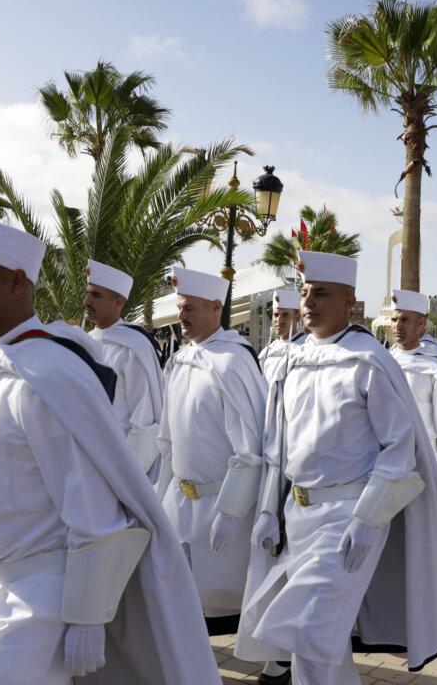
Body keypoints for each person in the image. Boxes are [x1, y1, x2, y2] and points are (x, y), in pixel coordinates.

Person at [0, 208, 217, 684]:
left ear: (15, 283)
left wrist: (88, 616)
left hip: (35, 605)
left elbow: (93, 508)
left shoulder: (47, 374)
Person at [236, 251, 437, 685]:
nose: (308, 302)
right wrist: (269, 509)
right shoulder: (291, 358)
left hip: (347, 518)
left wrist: (369, 517)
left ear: (350, 302)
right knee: (321, 639)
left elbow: (400, 446)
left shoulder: (368, 360)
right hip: (298, 515)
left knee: (308, 630)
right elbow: (277, 445)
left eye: (321, 293)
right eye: (305, 293)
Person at [156, 267, 280, 680]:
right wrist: (161, 496)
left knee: (246, 591)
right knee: (180, 592)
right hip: (182, 500)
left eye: (190, 308)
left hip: (222, 502)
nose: (182, 316)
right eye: (179, 308)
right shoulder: (182, 359)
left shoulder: (232, 362)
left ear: (215, 308)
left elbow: (250, 449)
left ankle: (279, 658)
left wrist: (230, 510)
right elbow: (168, 440)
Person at [84, 259, 164, 477]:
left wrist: (127, 479)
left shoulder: (133, 347)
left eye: (96, 295)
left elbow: (144, 422)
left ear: (118, 301)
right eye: (88, 293)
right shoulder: (83, 343)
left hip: (116, 467)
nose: (87, 301)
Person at [390, 289, 437, 472]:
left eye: (404, 320)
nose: (397, 326)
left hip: (425, 460)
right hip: (389, 458)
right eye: (394, 320)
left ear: (421, 324)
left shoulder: (435, 368)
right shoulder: (385, 361)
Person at [259, 289, 305, 386]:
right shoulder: (267, 351)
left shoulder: (306, 347)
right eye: (276, 315)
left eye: (285, 315)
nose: (279, 320)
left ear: (297, 318)